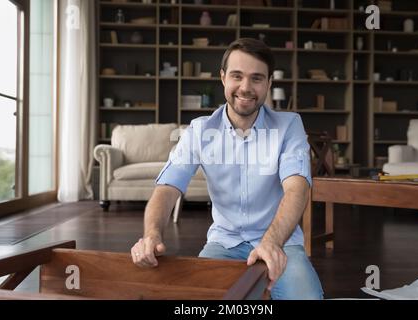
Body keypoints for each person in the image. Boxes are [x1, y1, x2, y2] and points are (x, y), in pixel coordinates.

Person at [131, 38, 323, 300]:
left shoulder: (289, 125)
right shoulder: (199, 130)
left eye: (256, 78)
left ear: (268, 84)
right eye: (237, 76)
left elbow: (297, 189)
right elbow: (167, 188)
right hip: (224, 243)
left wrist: (271, 242)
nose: (245, 87)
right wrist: (151, 235)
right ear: (223, 78)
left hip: (281, 243)